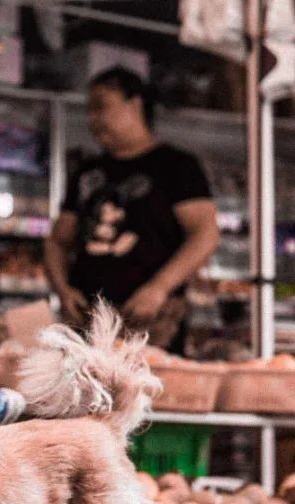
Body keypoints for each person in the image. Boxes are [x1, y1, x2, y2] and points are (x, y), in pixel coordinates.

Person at [45, 67, 220, 351]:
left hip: (149, 320)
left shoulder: (177, 166)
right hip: (87, 318)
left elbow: (205, 234)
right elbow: (57, 240)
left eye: (101, 106)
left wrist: (159, 288)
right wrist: (62, 289)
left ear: (135, 104)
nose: (93, 119)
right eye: (89, 110)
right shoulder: (88, 171)